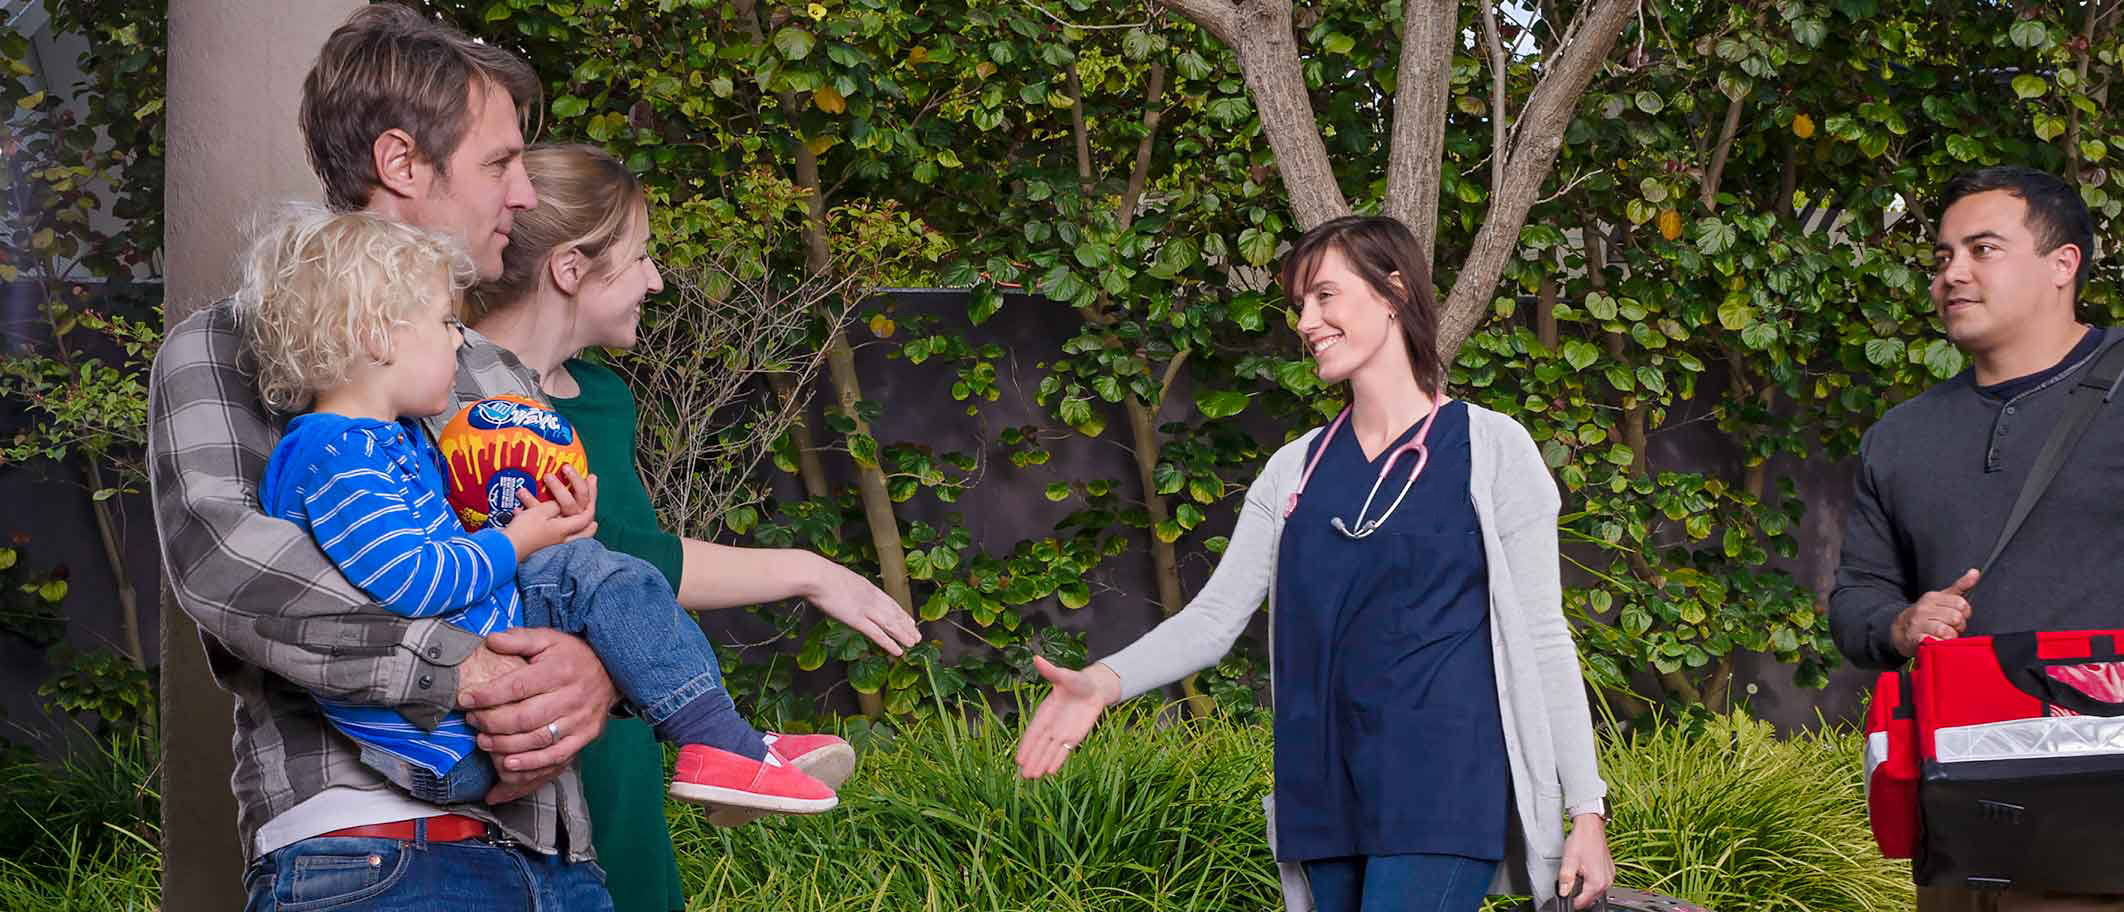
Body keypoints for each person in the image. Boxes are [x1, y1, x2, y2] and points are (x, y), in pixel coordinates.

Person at [1012, 215, 1614, 912]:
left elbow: (1543, 635)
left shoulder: (1491, 450)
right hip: (1322, 792)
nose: (1306, 321)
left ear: (1393, 292)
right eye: (1300, 304)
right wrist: (1101, 683)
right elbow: (1213, 619)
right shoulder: (1293, 469)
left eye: (1325, 297)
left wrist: (1586, 810)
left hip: (1442, 785)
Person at [151, 7, 605, 908]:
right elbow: (236, 570)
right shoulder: (225, 347)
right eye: (499, 163)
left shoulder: (494, 369)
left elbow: (566, 572)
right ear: (402, 163)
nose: (523, 194)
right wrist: (467, 672)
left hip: (554, 853)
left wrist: (591, 673)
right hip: (369, 854)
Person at [236, 206, 846, 817]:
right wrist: (521, 541)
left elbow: (436, 546)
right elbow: (414, 582)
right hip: (441, 741)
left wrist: (541, 519)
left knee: (595, 566)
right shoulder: (334, 454)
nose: (460, 337)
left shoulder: (389, 439)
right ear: (376, 335)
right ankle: (721, 746)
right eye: (445, 321)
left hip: (470, 705)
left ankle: (727, 742)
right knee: (599, 574)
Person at [458, 142, 924, 835]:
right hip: (524, 756)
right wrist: (808, 572)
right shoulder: (462, 403)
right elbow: (617, 554)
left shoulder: (603, 397)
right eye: (640, 256)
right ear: (569, 268)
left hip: (618, 726)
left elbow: (629, 559)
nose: (656, 281)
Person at [1829, 166, 2124, 911]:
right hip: (1963, 840)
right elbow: (1857, 597)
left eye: (1982, 249)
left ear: (2064, 264)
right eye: (1941, 257)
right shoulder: (1902, 437)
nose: (1951, 274)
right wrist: (1900, 623)